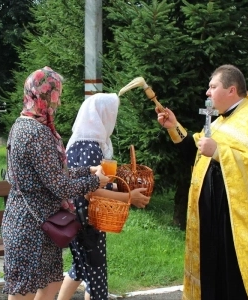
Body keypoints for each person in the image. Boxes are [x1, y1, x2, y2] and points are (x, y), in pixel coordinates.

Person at [156, 64, 248, 299]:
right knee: (212, 272)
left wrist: (219, 151)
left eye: (213, 87)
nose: (207, 92)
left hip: (236, 220)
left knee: (232, 277)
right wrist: (174, 127)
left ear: (231, 90)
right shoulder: (219, 122)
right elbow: (197, 151)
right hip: (211, 216)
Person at [2, 67, 109, 300]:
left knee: (50, 286)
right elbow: (60, 186)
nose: (58, 102)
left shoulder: (23, 125)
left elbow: (51, 173)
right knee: (26, 292)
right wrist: (95, 181)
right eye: (56, 95)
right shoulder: (36, 132)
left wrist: (86, 170)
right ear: (44, 95)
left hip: (36, 224)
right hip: (31, 227)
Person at [57, 92, 150, 300]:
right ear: (102, 116)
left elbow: (95, 184)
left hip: (73, 216)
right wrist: (129, 198)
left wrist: (121, 189)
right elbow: (91, 192)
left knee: (81, 267)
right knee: (97, 275)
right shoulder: (92, 147)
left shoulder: (77, 142)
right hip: (88, 219)